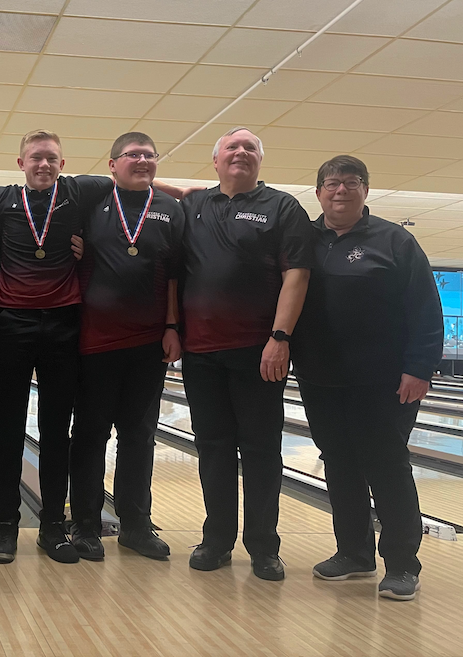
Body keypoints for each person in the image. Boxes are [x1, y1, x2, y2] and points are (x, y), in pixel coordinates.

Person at [291, 155, 442, 601]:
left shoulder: (395, 241)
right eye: (332, 183)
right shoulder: (304, 240)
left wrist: (419, 369)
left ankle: (401, 564)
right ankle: (354, 553)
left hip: (383, 380)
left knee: (387, 467)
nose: (341, 190)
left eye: (351, 183)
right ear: (318, 192)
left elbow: (425, 310)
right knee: (338, 463)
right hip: (321, 377)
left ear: (366, 190)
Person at [179, 126, 312, 581]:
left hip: (259, 352)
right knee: (212, 449)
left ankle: (263, 547)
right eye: (231, 147)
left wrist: (280, 336)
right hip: (200, 353)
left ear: (260, 161)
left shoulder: (282, 207)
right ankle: (216, 540)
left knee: (260, 450)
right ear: (215, 162)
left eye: (249, 147)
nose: (241, 152)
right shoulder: (194, 204)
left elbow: (297, 275)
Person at [0, 130, 115, 565]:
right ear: (20, 162)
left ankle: (53, 525)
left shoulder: (80, 189)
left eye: (52, 158)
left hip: (63, 323)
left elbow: (136, 184)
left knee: (57, 431)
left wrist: (200, 193)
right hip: (12, 322)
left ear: (63, 162)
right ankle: (5, 524)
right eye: (36, 158)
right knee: (6, 428)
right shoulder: (0, 198)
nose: (44, 164)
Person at [68, 132, 185, 561]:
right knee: (90, 435)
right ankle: (85, 524)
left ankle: (136, 525)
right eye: (133, 155)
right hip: (95, 340)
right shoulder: (90, 201)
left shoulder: (171, 210)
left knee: (140, 436)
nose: (142, 160)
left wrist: (173, 325)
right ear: (113, 164)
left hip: (149, 341)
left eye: (150, 155)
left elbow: (175, 274)